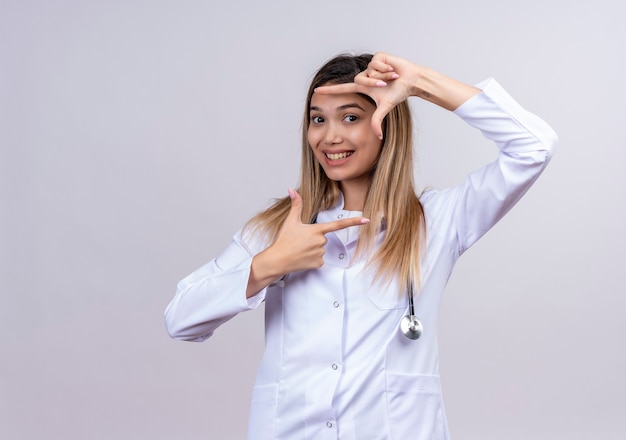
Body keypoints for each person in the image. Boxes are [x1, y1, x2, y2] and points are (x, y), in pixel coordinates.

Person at [164, 52, 557, 439]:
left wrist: (419, 82)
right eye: (318, 119)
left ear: (386, 120)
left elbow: (534, 146)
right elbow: (181, 319)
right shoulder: (278, 229)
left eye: (350, 117)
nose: (330, 136)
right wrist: (268, 265)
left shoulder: (437, 223)